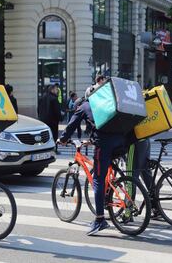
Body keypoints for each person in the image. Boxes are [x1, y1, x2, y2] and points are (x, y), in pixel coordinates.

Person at [57, 83, 126, 236]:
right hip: (121, 142)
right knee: (106, 172)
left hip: (105, 144)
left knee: (97, 180)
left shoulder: (85, 106)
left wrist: (62, 140)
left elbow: (71, 126)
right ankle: (111, 191)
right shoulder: (108, 103)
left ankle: (100, 219)